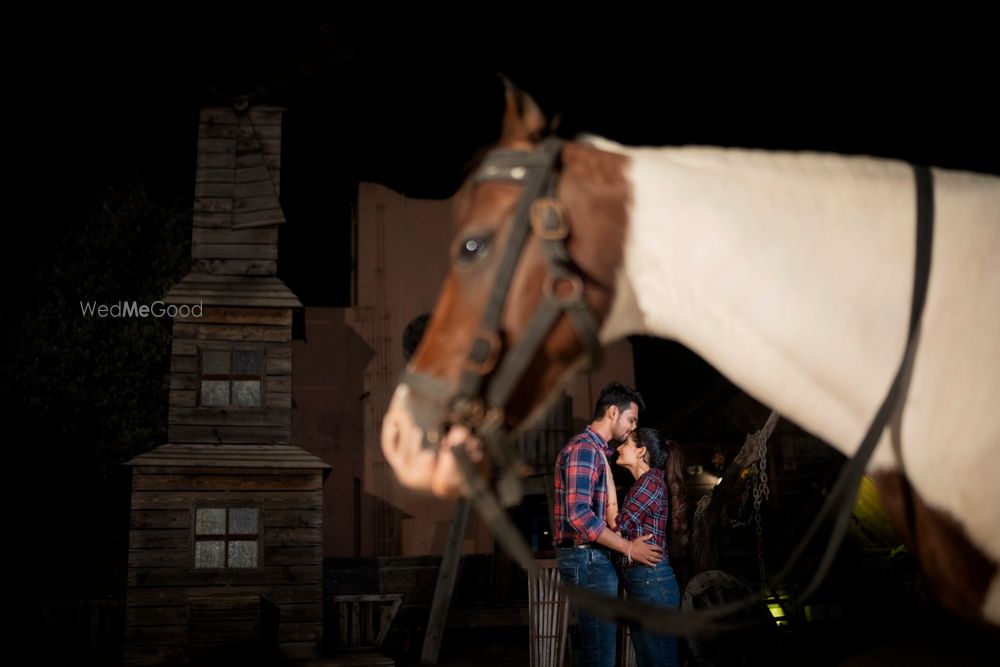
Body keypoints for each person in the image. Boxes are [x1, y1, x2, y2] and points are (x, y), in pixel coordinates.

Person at [553, 382, 662, 667]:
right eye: (631, 419)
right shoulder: (585, 449)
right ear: (613, 412)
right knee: (600, 655)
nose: (633, 427)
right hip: (586, 557)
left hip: (591, 557)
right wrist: (628, 548)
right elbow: (578, 514)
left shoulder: (598, 451)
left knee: (600, 652)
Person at [614, 427, 687, 667]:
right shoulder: (647, 483)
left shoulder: (649, 483)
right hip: (647, 584)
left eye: (625, 443)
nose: (618, 447)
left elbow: (618, 527)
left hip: (652, 583)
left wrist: (604, 474)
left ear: (641, 451)